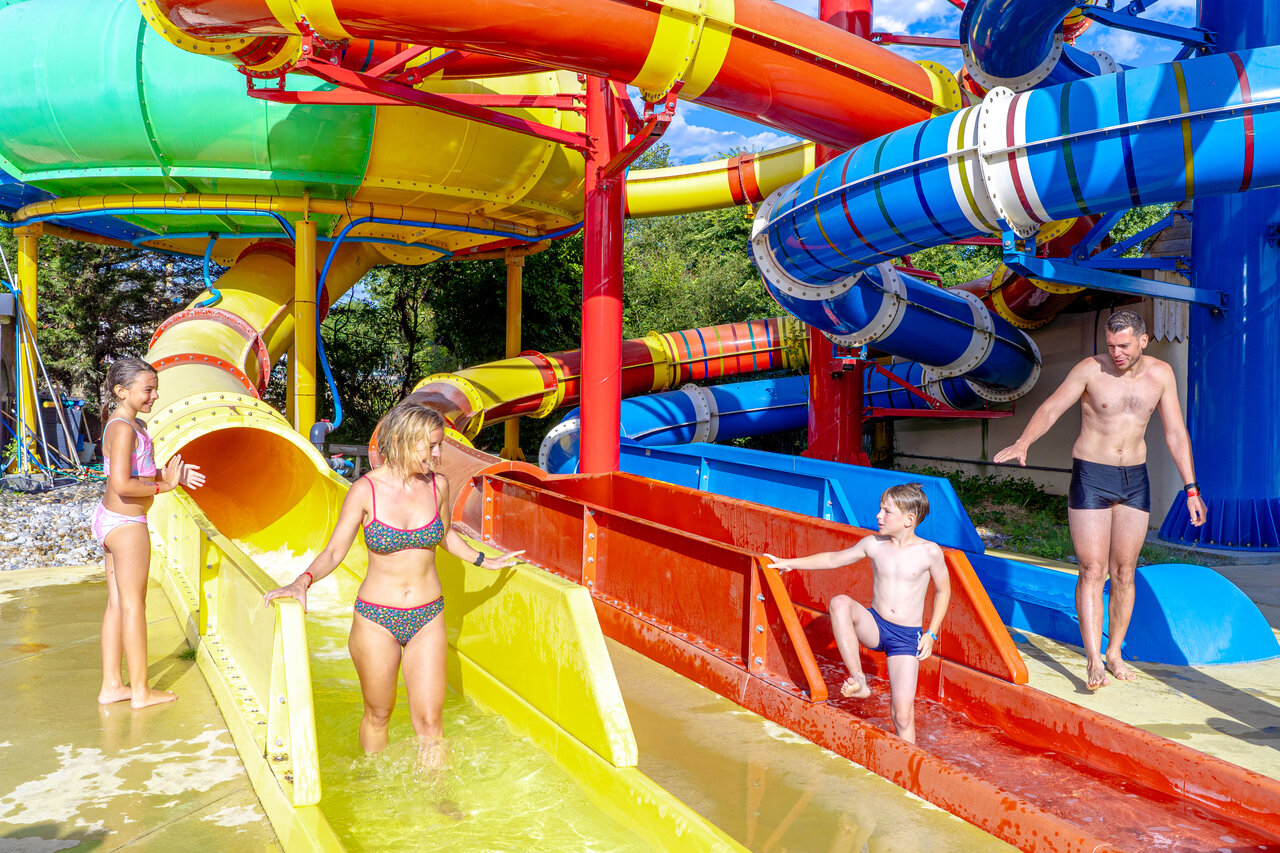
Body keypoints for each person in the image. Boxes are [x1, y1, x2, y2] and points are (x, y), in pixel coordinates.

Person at [263, 404, 524, 764]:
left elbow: (444, 534)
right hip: (376, 619)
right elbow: (335, 550)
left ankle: (438, 793)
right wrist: (301, 582)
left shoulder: (438, 486)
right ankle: (373, 782)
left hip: (427, 616)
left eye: (439, 445)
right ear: (405, 440)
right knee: (379, 714)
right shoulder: (365, 490)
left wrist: (483, 559)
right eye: (431, 445)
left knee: (431, 723)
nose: (438, 454)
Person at [993, 310, 1207, 689]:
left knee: (1125, 571)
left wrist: (1192, 490)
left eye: (1123, 345)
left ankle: (1114, 652)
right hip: (1092, 475)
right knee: (1093, 569)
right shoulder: (1090, 370)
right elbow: (1052, 407)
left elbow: (1175, 432)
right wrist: (1024, 441)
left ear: (1143, 340)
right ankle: (1093, 659)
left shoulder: (1161, 375)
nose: (1116, 353)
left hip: (1134, 480)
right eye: (1111, 346)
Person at [765, 483, 950, 744]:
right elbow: (832, 559)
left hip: (906, 637)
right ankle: (859, 679)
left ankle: (906, 763)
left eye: (886, 511)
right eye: (880, 509)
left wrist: (931, 633)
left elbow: (943, 591)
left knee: (902, 716)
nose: (878, 515)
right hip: (875, 624)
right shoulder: (874, 544)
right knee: (840, 603)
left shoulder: (929, 552)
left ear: (909, 520)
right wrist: (789, 563)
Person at [96, 357, 205, 708]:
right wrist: (165, 487)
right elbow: (122, 484)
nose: (155, 395)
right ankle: (141, 691)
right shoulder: (123, 428)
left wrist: (167, 475)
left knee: (117, 604)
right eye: (148, 389)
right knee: (133, 606)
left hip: (112, 519)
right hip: (126, 524)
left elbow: (137, 472)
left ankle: (113, 686)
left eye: (156, 389)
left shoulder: (132, 425)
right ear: (121, 391)